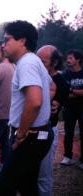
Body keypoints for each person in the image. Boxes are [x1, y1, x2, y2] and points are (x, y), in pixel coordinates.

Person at [0, 20, 54, 196]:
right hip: (37, 136)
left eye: (7, 40)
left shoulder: (27, 63)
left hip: (29, 138)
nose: (3, 45)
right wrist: (52, 104)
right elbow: (51, 87)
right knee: (28, 187)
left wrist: (21, 133)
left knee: (2, 190)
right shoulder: (33, 61)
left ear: (22, 41)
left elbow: (34, 102)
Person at [37, 45, 69, 196]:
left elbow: (53, 107)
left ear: (54, 63)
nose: (37, 63)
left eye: (42, 61)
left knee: (44, 175)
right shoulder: (36, 75)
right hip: (32, 131)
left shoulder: (60, 82)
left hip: (47, 131)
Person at [61, 49, 83, 169]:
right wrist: (77, 92)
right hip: (69, 108)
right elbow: (63, 92)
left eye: (70, 58)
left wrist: (71, 90)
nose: (68, 60)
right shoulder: (66, 75)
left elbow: (68, 91)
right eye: (67, 58)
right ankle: (67, 156)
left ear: (78, 60)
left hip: (82, 108)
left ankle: (82, 160)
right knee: (68, 133)